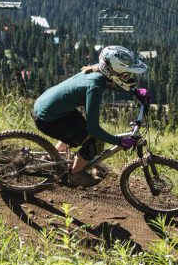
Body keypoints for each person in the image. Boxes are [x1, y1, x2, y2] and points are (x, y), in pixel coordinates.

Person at [32, 45, 149, 185]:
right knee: (95, 142)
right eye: (126, 74)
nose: (128, 77)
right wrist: (119, 141)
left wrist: (134, 92)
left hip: (50, 107)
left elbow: (113, 83)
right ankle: (73, 175)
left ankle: (51, 158)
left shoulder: (97, 71)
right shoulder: (94, 87)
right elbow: (94, 129)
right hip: (48, 118)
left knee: (80, 131)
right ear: (113, 72)